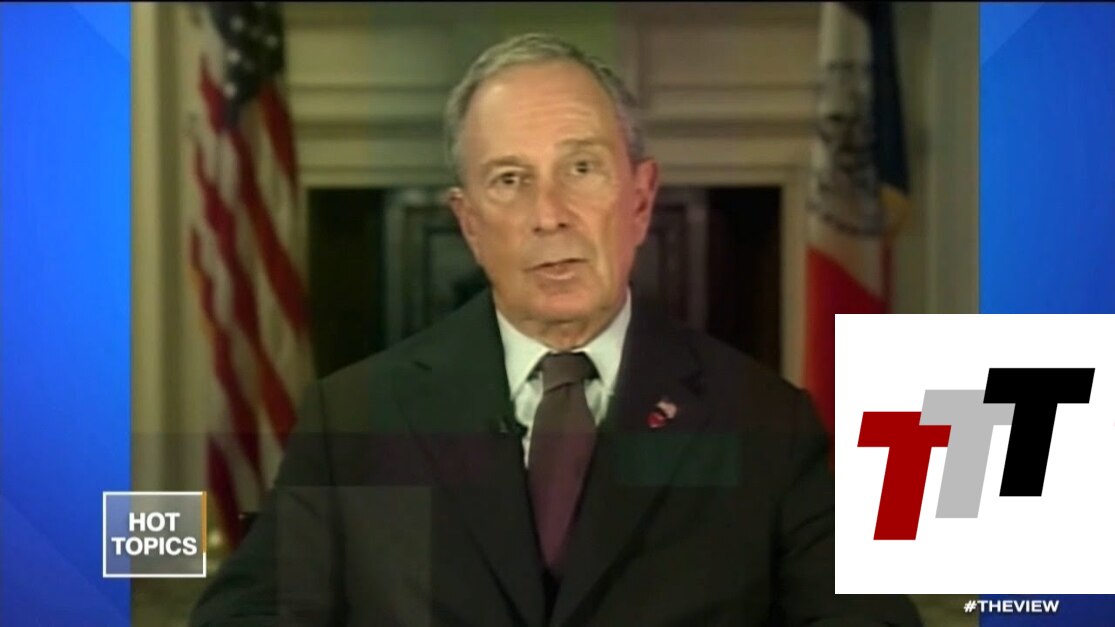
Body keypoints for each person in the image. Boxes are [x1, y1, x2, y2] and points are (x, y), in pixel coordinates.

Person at [190, 33, 923, 627]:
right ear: (469, 224)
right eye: (510, 180)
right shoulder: (353, 416)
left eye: (581, 167)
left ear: (640, 200)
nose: (549, 214)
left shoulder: (766, 419)